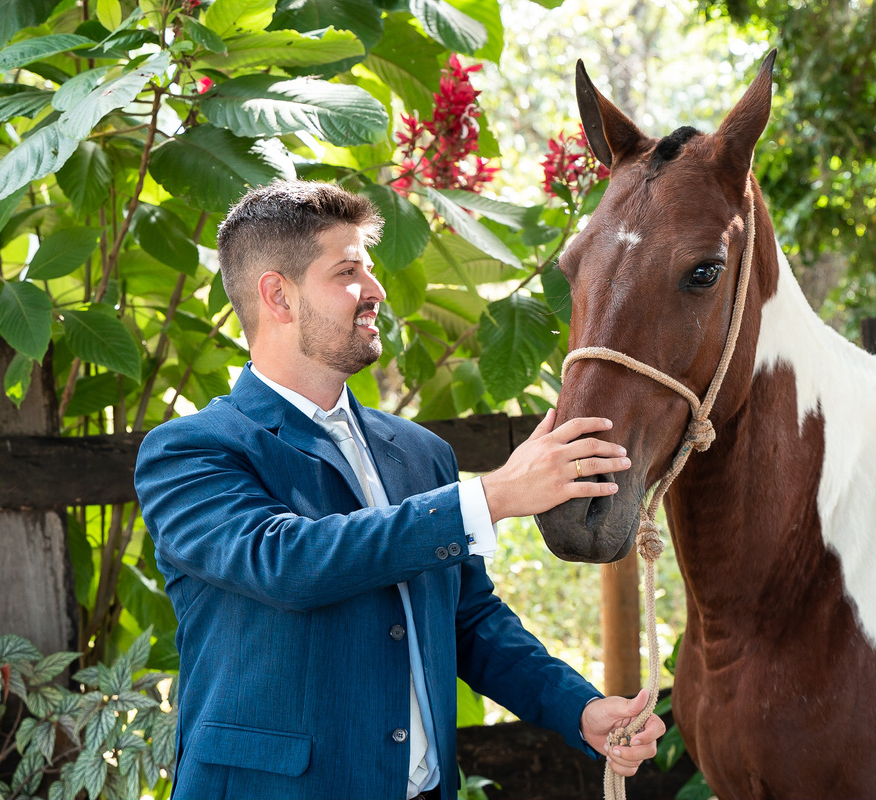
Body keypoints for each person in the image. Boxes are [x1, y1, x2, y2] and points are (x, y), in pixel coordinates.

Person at [134, 179, 665, 800]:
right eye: (348, 271)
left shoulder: (420, 452)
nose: (376, 291)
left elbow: (467, 620)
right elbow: (288, 563)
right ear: (277, 295)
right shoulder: (189, 451)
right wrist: (491, 498)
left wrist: (578, 709)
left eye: (371, 268)